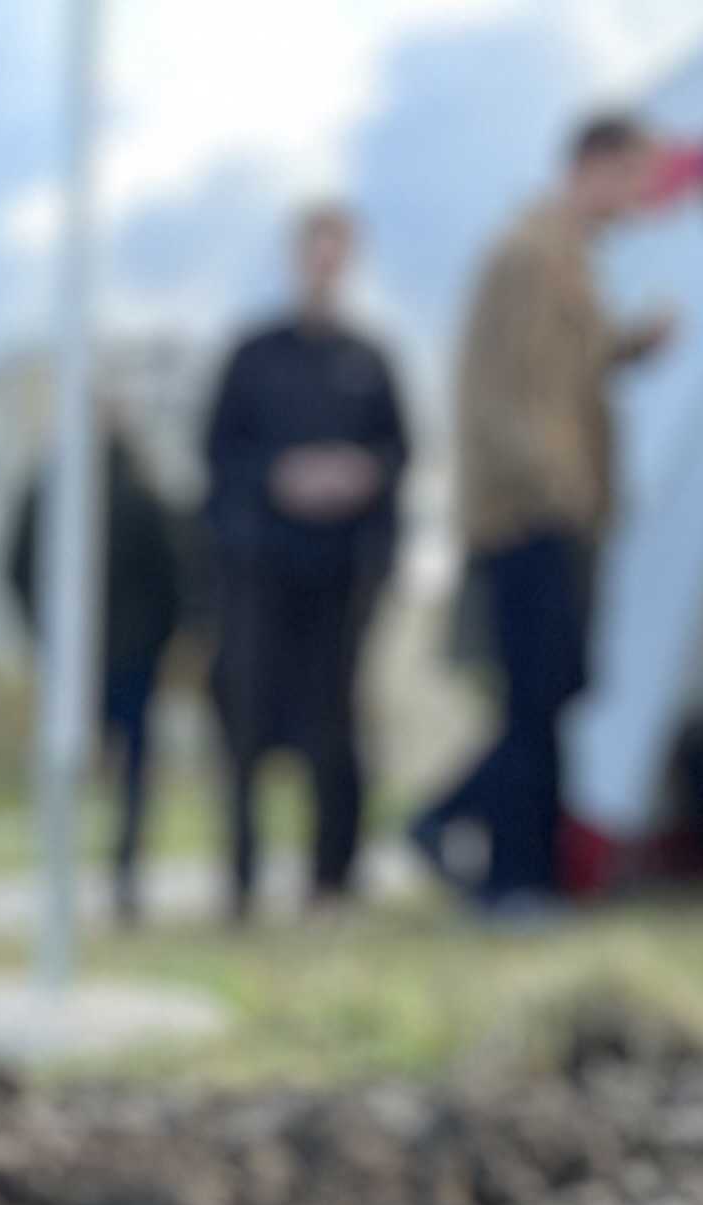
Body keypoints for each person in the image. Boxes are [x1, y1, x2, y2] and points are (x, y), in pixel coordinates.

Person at [413, 115, 672, 912]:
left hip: (553, 510)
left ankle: (475, 838)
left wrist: (628, 347)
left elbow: (563, 370)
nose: (640, 198)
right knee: (534, 701)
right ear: (595, 166)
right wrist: (555, 490)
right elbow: (506, 395)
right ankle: (513, 879)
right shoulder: (528, 255)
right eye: (634, 177)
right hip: (528, 515)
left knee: (552, 693)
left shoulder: (564, 259)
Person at [203, 203, 408, 921]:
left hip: (343, 575)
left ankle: (333, 877)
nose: (325, 265)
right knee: (247, 724)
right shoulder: (253, 357)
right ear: (296, 258)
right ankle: (241, 878)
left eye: (337, 252)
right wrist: (279, 478)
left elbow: (400, 454)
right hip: (262, 576)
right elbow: (218, 456)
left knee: (338, 728)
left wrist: (360, 477)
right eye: (314, 251)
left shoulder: (370, 360)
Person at [4, 420, 189, 927]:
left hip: (79, 659)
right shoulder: (138, 497)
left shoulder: (49, 497)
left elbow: (14, 570)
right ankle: (124, 876)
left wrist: (44, 634)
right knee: (131, 774)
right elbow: (175, 580)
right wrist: (160, 641)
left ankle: (63, 876)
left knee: (66, 766)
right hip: (130, 658)